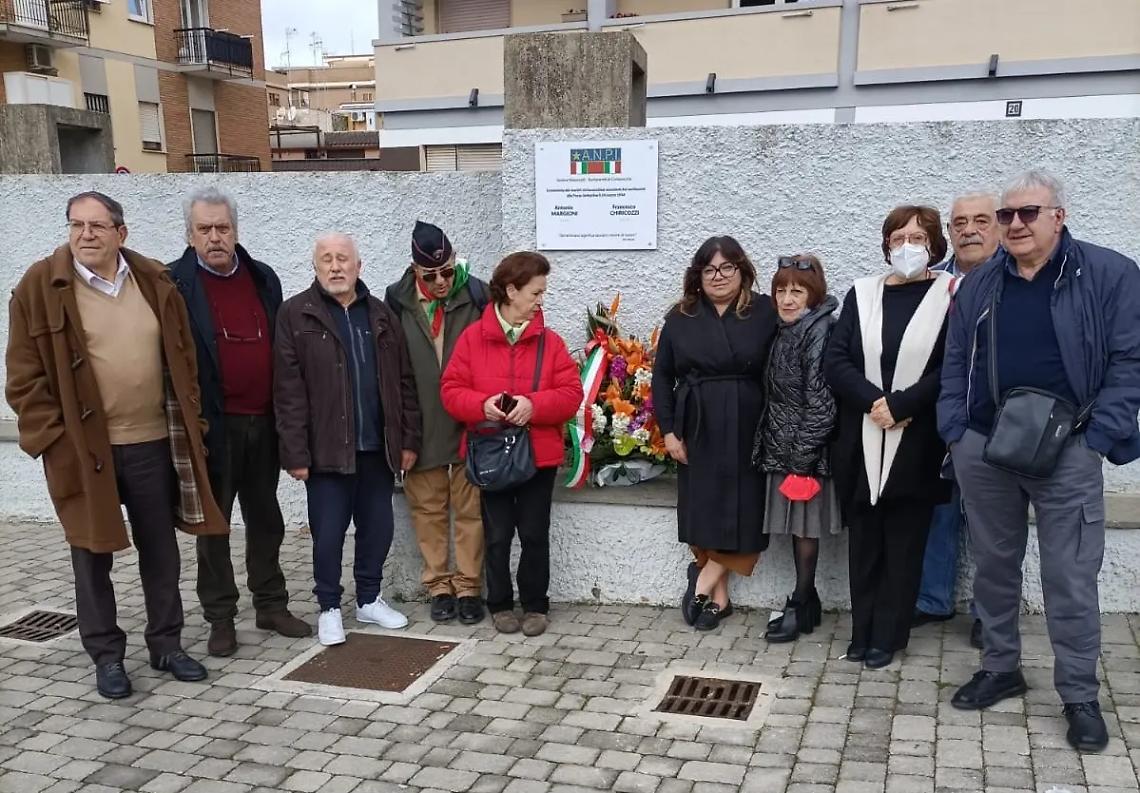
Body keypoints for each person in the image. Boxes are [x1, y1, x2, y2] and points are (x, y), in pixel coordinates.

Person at [938, 169, 1140, 752]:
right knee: (996, 568)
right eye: (1007, 215)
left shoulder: (1108, 273)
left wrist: (1099, 435)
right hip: (986, 446)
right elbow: (956, 357)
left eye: (1029, 212)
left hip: (1069, 450)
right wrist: (956, 431)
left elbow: (1131, 360)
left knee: (1070, 576)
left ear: (1059, 216)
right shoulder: (981, 283)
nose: (1016, 224)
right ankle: (1001, 668)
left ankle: (1079, 694)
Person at [5, 192, 226, 699]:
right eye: (77, 225)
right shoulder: (41, 287)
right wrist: (56, 441)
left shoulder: (152, 280)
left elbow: (183, 356)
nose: (86, 234)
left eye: (98, 226)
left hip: (152, 441)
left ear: (120, 233)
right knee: (91, 554)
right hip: (86, 452)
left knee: (161, 551)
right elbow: (22, 379)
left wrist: (191, 416)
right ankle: (106, 656)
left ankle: (166, 645)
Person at [169, 187, 310, 657]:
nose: (215, 237)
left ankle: (270, 604)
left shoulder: (263, 277)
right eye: (205, 229)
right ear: (189, 235)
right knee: (215, 526)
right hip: (213, 426)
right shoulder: (174, 285)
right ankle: (221, 617)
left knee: (266, 518)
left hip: (262, 422)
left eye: (223, 228)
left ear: (236, 231)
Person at [273, 233, 421, 646]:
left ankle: (369, 600)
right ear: (315, 267)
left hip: (378, 447)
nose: (335, 267)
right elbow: (287, 390)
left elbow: (404, 382)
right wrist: (295, 452)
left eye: (343, 259)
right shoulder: (295, 314)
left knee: (378, 528)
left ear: (360, 266)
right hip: (325, 452)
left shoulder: (380, 314)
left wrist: (408, 439)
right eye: (326, 260)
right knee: (330, 533)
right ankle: (329, 607)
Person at [824, 205, 953, 669]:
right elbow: (836, 360)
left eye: (917, 238)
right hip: (862, 434)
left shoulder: (950, 293)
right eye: (897, 238)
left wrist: (903, 405)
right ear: (886, 246)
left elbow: (950, 364)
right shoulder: (862, 294)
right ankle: (861, 632)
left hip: (916, 438)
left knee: (903, 542)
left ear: (935, 245)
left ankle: (889, 635)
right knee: (865, 544)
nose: (907, 247)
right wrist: (876, 402)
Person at [440, 251, 581, 637]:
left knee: (535, 534)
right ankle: (500, 603)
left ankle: (535, 604)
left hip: (539, 454)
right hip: (492, 455)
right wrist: (481, 405)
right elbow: (450, 391)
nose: (540, 300)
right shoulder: (473, 339)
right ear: (511, 289)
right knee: (498, 534)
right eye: (536, 292)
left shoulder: (550, 343)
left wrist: (533, 406)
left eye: (542, 293)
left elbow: (571, 395)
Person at [652, 236, 778, 632]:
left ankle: (703, 579)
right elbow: (662, 377)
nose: (719, 276)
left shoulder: (764, 311)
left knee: (746, 506)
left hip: (749, 420)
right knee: (704, 504)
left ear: (742, 271)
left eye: (727, 268)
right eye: (710, 269)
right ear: (698, 276)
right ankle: (719, 598)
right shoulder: (681, 316)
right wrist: (670, 431)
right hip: (698, 420)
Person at [384, 221, 489, 626]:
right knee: (426, 509)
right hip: (420, 422)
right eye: (431, 275)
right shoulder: (396, 302)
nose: (442, 280)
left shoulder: (477, 294)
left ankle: (468, 587)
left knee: (469, 509)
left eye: (447, 269)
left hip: (468, 423)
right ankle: (438, 585)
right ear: (414, 271)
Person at [913, 192, 1001, 648]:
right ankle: (932, 599)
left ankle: (991, 614)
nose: (970, 230)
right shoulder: (932, 283)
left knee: (992, 524)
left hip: (996, 423)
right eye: (960, 222)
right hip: (940, 418)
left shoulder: (1015, 276)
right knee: (939, 512)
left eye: (981, 220)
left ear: (1000, 227)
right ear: (948, 233)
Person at [751, 255, 840, 642]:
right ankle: (809, 600)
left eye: (797, 291)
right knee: (796, 530)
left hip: (806, 454)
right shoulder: (786, 329)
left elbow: (821, 404)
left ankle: (801, 601)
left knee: (805, 530)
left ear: (813, 295)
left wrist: (801, 460)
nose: (787, 299)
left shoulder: (817, 332)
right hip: (787, 448)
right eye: (781, 290)